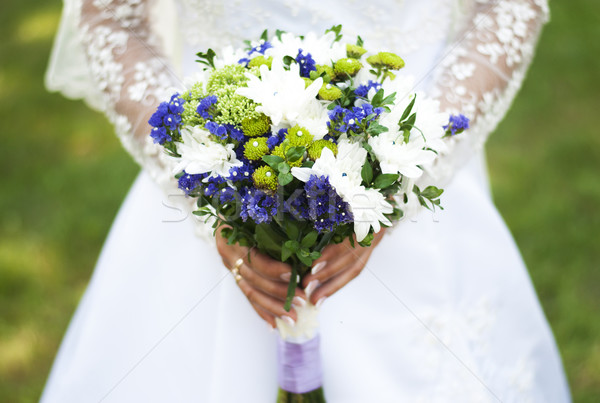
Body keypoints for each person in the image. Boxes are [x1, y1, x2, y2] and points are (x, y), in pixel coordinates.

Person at [41, 0, 571, 401]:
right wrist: (204, 182)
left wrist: (401, 172)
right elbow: (113, 20)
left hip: (410, 165)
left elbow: (506, 10)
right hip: (217, 175)